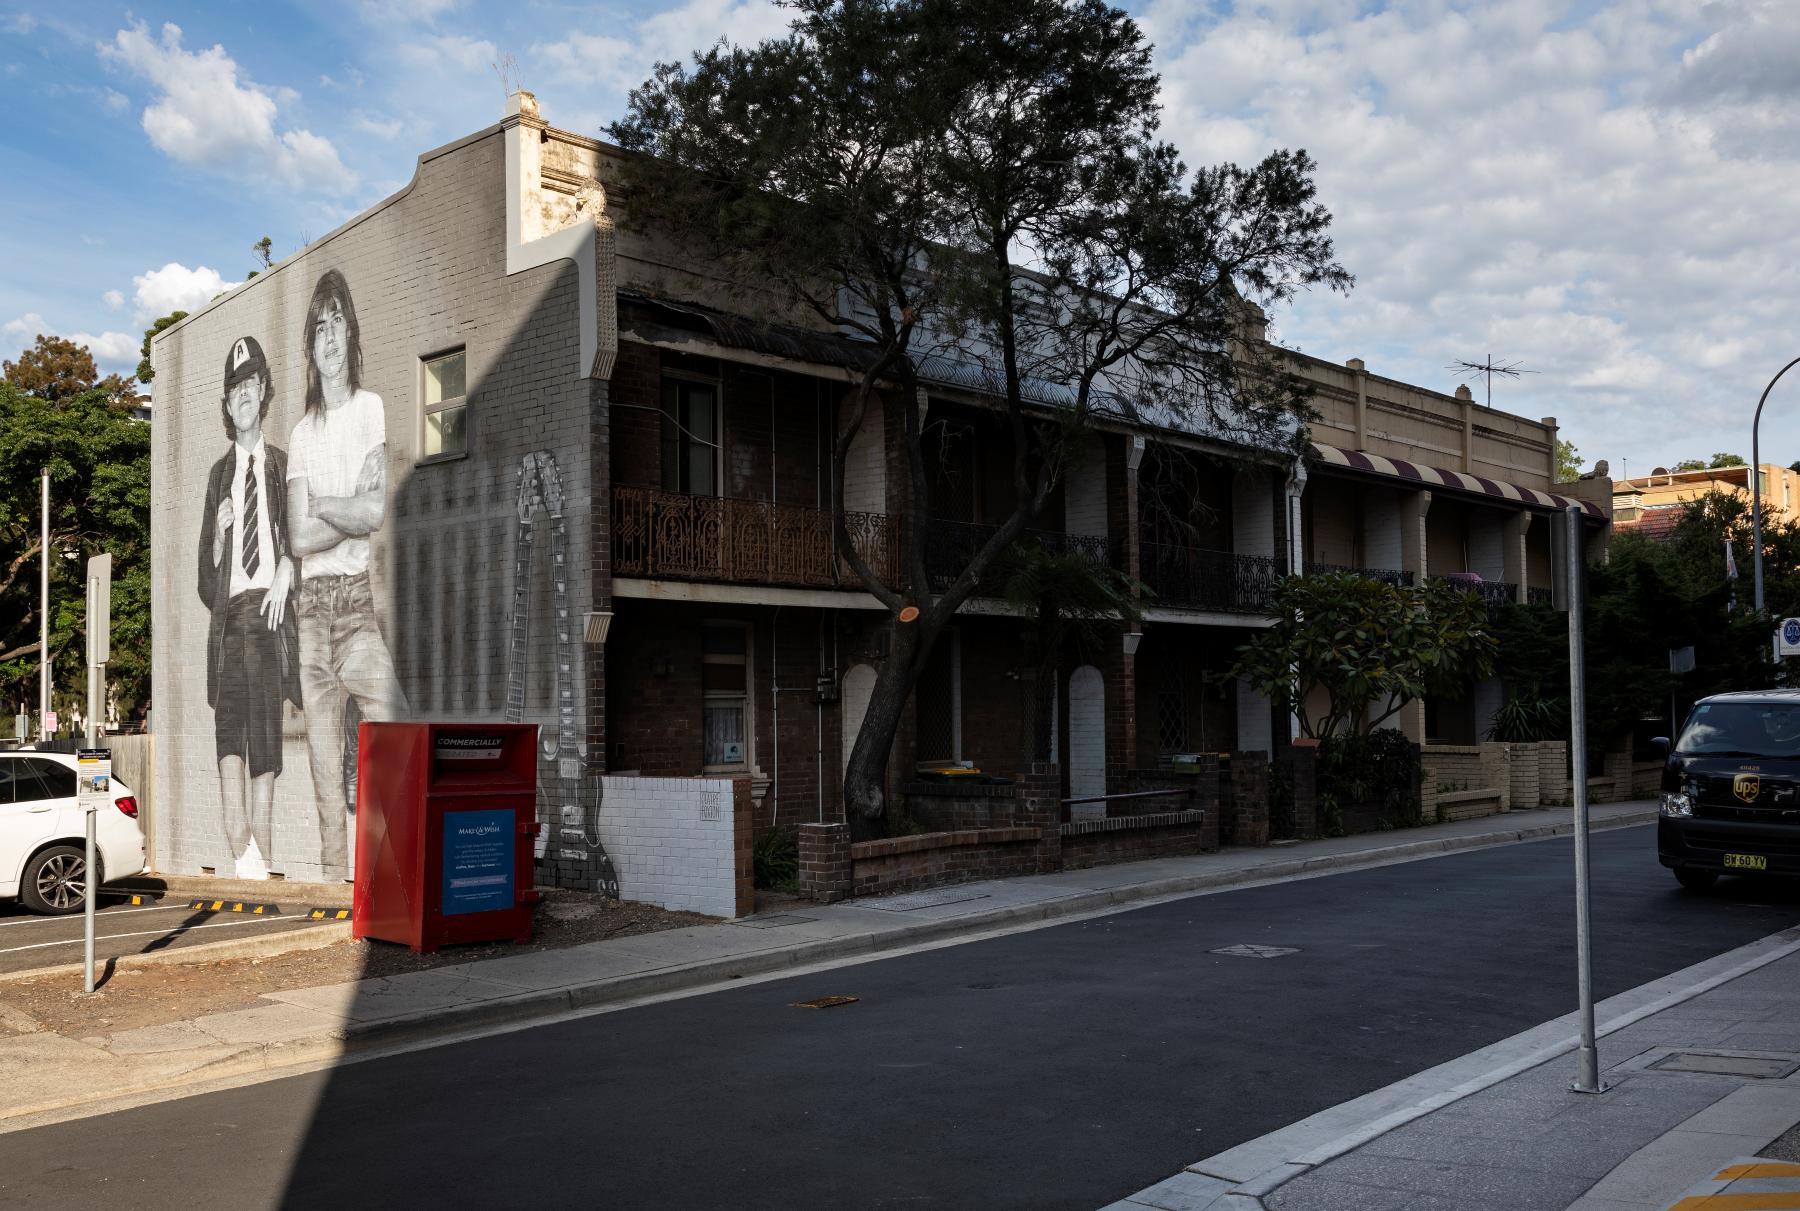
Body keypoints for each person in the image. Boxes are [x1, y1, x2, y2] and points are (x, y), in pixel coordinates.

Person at [286, 269, 408, 877]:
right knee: (322, 765)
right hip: (310, 611)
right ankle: (336, 883)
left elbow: (375, 510)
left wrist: (327, 506)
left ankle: (388, 863)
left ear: (351, 334)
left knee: (396, 723)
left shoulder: (371, 410)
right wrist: (348, 508)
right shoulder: (301, 434)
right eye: (319, 326)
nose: (328, 337)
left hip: (356, 610)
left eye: (337, 322)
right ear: (309, 347)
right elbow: (297, 535)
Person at [197, 336, 301, 879]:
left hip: (269, 616)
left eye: (252, 386)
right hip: (228, 616)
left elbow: (303, 541)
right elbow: (202, 577)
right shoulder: (219, 475)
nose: (244, 397)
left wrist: (288, 568)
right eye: (235, 389)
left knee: (264, 738)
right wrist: (218, 539)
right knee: (228, 731)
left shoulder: (282, 466)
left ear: (264, 395)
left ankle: (263, 854)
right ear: (227, 401)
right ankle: (241, 848)